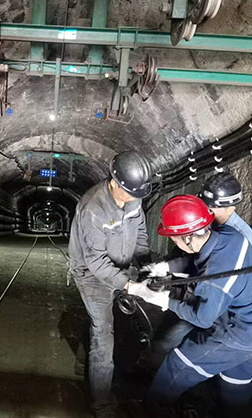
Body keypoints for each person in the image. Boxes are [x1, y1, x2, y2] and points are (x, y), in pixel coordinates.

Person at [139, 195, 252, 412]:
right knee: (234, 384)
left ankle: (149, 412)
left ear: (187, 238)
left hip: (238, 335)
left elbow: (202, 318)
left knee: (177, 365)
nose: (174, 242)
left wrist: (164, 301)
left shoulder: (216, 279)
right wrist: (164, 267)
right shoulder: (229, 235)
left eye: (174, 239)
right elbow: (196, 257)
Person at [68, 150, 157, 416]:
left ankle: (84, 361)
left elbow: (140, 234)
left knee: (105, 321)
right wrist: (130, 286)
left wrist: (146, 265)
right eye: (130, 194)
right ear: (115, 182)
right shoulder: (93, 209)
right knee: (104, 332)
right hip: (90, 274)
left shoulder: (134, 198)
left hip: (120, 268)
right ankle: (101, 402)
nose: (135, 200)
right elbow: (96, 262)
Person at [146, 171, 252, 361]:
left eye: (211, 207)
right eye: (204, 204)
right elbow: (189, 256)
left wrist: (168, 300)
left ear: (231, 207)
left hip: (210, 302)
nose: (206, 210)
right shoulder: (205, 221)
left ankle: (161, 366)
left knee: (173, 338)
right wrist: (167, 267)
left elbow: (225, 289)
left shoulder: (243, 238)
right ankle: (155, 361)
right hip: (190, 289)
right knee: (165, 334)